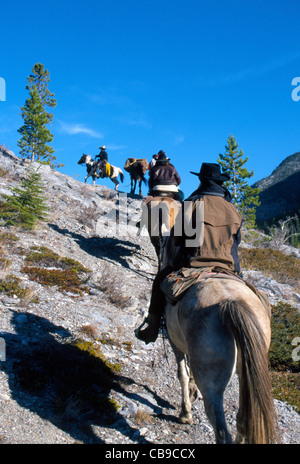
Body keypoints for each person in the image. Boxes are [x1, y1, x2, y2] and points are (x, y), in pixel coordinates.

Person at [135, 162, 243, 344]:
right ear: (220, 182)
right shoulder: (232, 209)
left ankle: (152, 328)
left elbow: (177, 239)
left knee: (160, 280)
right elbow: (236, 242)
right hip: (229, 266)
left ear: (201, 180)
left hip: (194, 263)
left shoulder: (191, 204)